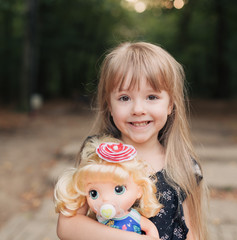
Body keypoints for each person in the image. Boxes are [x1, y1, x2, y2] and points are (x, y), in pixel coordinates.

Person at [56, 41, 208, 240]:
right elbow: (68, 226)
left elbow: (193, 234)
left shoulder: (185, 167)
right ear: (109, 105)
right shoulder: (97, 154)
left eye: (151, 97)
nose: (138, 109)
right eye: (125, 98)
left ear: (171, 104)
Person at [54, 135, 162, 238]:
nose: (105, 199)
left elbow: (150, 228)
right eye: (93, 193)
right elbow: (68, 226)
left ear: (139, 190)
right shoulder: (98, 221)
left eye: (118, 189)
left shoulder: (134, 218)